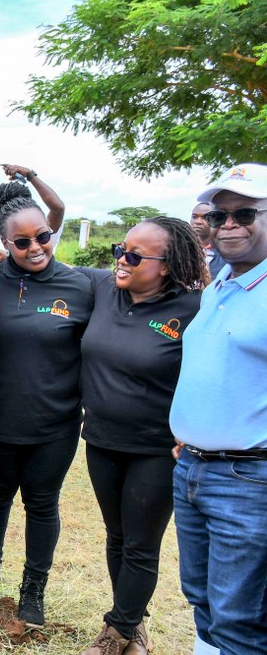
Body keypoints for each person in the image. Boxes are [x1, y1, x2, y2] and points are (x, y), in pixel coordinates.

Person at [0, 183, 94, 629]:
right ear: (4, 242)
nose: (35, 247)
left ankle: (33, 591)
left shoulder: (80, 285)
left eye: (42, 236)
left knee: (42, 505)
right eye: (21, 242)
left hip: (55, 426)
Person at [77, 217, 208, 655]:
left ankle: (115, 634)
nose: (121, 260)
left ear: (167, 266)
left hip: (156, 449)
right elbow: (45, 269)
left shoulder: (193, 308)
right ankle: (133, 625)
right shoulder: (102, 289)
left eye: (135, 256)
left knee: (140, 544)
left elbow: (213, 370)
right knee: (117, 537)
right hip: (101, 441)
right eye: (120, 249)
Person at [171, 163, 267, 655]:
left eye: (245, 213)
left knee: (241, 618)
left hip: (248, 479)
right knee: (204, 602)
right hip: (193, 469)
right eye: (220, 214)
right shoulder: (219, 285)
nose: (228, 224)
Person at [189, 201, 227, 279]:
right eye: (194, 216)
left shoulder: (227, 254)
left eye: (205, 218)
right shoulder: (180, 250)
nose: (198, 221)